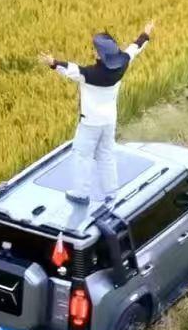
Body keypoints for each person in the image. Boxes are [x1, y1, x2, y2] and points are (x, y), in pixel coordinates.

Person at [39, 20, 155, 205]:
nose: (93, 51)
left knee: (82, 156)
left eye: (95, 50)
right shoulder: (123, 64)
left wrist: (53, 63)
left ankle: (81, 193)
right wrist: (145, 33)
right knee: (106, 154)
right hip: (109, 120)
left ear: (100, 56)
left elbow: (70, 69)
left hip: (90, 124)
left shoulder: (89, 74)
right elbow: (135, 48)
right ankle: (111, 192)